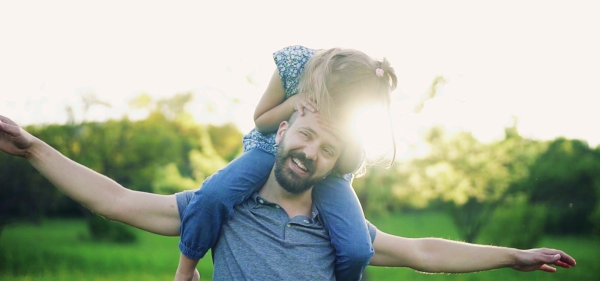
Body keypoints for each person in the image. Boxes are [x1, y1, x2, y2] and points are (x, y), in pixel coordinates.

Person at [0, 112, 577, 280]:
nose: (310, 153)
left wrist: (514, 255)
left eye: (327, 149)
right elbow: (118, 200)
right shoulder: (224, 207)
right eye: (304, 135)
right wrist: (33, 149)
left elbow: (424, 252)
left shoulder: (339, 224)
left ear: (335, 165)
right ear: (281, 133)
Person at [177, 45, 398, 281]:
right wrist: (293, 103)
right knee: (213, 195)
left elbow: (347, 166)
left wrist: (349, 137)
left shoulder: (358, 110)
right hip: (271, 148)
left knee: (358, 249)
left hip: (327, 170)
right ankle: (186, 270)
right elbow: (261, 120)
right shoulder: (295, 65)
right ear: (322, 80)